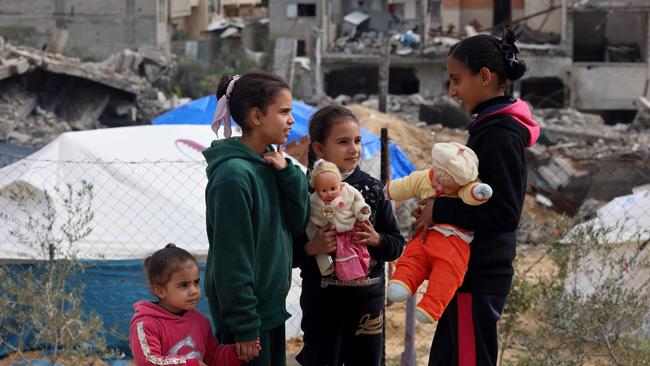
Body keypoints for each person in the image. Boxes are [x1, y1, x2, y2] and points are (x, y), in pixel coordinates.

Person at [416, 28, 540, 365]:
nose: (452, 91)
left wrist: (439, 209)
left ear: (484, 77)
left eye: (457, 80)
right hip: (464, 273)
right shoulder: (489, 128)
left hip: (479, 274)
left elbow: (503, 213)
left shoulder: (499, 135)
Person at [203, 72, 309, 366]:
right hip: (246, 320)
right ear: (256, 116)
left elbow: (298, 223)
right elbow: (232, 258)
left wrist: (289, 174)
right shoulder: (233, 177)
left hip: (270, 310)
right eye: (284, 112)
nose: (292, 121)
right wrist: (244, 325)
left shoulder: (271, 166)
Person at [294, 105, 405, 366]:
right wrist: (312, 247)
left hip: (367, 301)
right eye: (343, 142)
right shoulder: (303, 193)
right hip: (322, 301)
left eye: (357, 141)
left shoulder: (373, 189)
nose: (354, 148)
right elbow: (286, 251)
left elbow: (397, 245)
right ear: (319, 148)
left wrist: (376, 240)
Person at [385, 142, 493, 324]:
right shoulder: (425, 178)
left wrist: (478, 192)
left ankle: (431, 307)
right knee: (413, 256)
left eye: (447, 187)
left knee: (448, 274)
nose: (439, 189)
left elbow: (472, 194)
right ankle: (401, 283)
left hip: (455, 242)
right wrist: (385, 192)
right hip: (427, 234)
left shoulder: (465, 186)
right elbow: (406, 184)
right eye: (437, 181)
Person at [129, 243, 242, 366]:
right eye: (184, 285)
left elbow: (213, 357)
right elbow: (148, 362)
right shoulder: (146, 324)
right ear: (160, 290)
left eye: (196, 282)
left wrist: (238, 353)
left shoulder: (200, 321)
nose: (194, 291)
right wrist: (192, 364)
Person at [307, 159, 372, 280]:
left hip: (352, 228)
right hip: (334, 234)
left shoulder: (347, 190)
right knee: (343, 255)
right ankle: (346, 275)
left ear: (339, 182)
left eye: (333, 188)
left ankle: (360, 271)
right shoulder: (315, 201)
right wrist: (322, 221)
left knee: (359, 251)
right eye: (324, 190)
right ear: (316, 189)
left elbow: (358, 201)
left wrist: (362, 210)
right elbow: (314, 216)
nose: (329, 193)